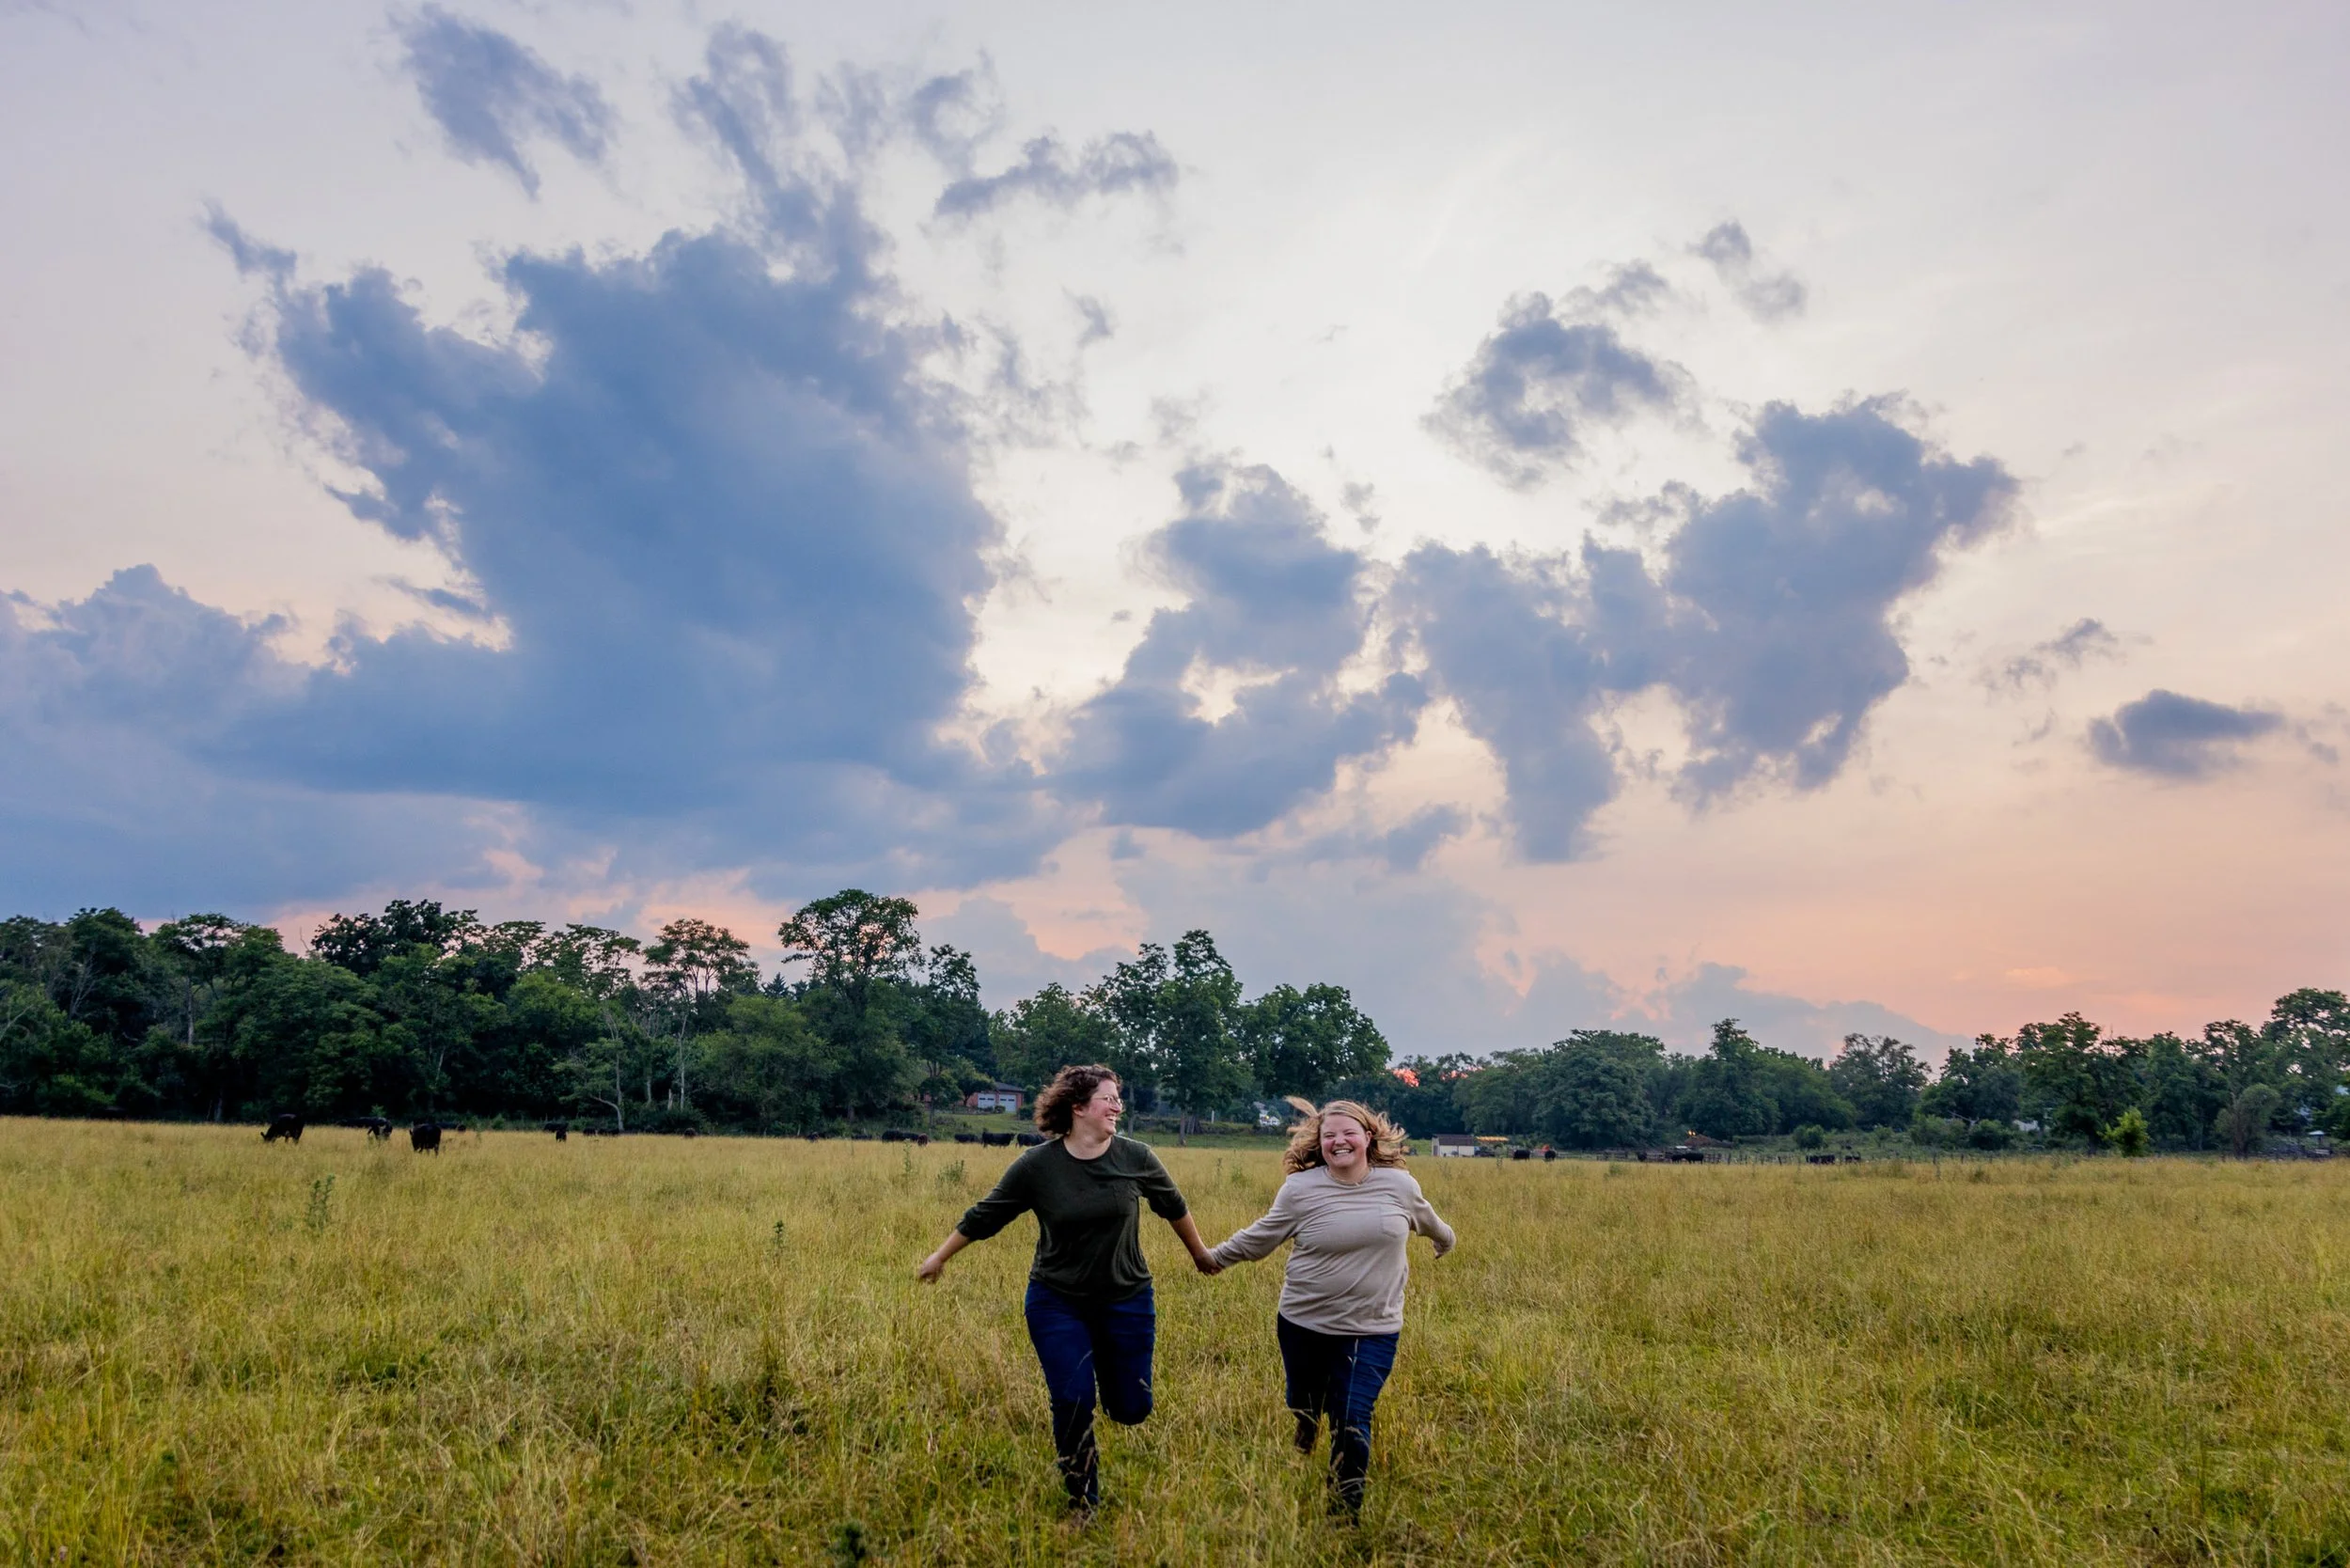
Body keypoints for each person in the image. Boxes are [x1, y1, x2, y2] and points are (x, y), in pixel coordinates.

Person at [916, 1064, 1217, 1513]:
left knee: (1131, 1408)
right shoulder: (1037, 1166)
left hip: (1126, 1298)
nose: (1118, 1106)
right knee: (1073, 1400)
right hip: (1057, 1301)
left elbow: (1172, 1205)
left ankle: (1113, 1390)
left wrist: (1200, 1255)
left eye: (1119, 1098)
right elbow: (987, 1214)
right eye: (1108, 1098)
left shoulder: (1137, 1157)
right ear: (1078, 1107)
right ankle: (1082, 1501)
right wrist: (940, 1256)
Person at [1207, 1096, 1455, 1520]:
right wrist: (1212, 1258)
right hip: (1304, 1322)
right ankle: (1306, 1419)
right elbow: (1261, 1237)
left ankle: (1343, 1516)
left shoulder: (1399, 1185)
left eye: (1348, 1133)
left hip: (1373, 1327)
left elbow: (1430, 1221)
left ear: (1368, 1137)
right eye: (1329, 1136)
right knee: (1305, 1400)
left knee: (1352, 1415)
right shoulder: (1301, 1190)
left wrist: (1445, 1240)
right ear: (1319, 1143)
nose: (1339, 1142)